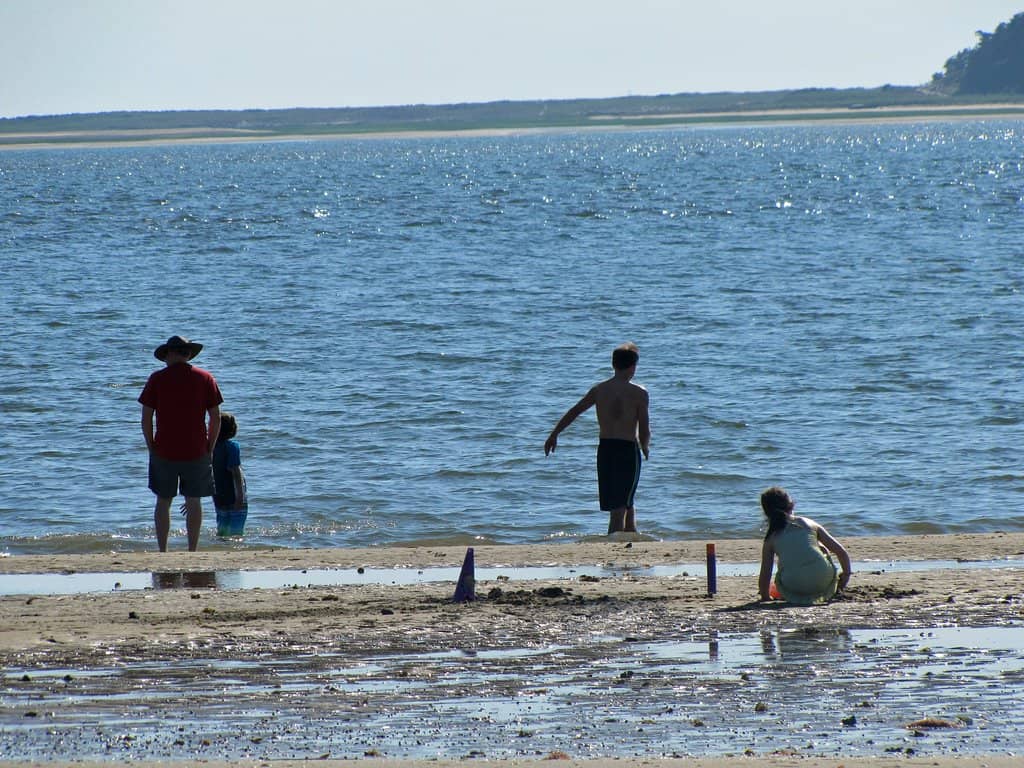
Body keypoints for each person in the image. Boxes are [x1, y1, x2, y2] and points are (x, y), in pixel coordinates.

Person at [544, 342, 651, 534]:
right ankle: (614, 547)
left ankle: (631, 537)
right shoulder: (639, 393)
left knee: (625, 502)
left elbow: (575, 411)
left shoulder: (600, 390)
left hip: (606, 449)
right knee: (620, 508)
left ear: (613, 364)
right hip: (627, 450)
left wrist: (554, 434)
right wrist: (645, 446)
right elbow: (644, 427)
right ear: (633, 367)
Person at [138, 335, 223, 552]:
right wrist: (210, 446)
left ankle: (163, 550)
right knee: (194, 501)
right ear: (187, 354)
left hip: (164, 449)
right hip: (196, 449)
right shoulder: (205, 378)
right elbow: (215, 417)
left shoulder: (157, 379)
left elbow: (146, 416)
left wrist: (150, 445)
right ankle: (192, 549)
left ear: (170, 353)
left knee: (163, 501)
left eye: (166, 354)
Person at [758, 486, 852, 605]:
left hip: (794, 585)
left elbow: (765, 573)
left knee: (783, 565)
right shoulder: (808, 523)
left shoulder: (770, 538)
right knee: (823, 549)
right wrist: (846, 575)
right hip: (823, 580)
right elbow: (841, 552)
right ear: (791, 505)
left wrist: (765, 597)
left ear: (766, 513)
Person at [212, 411, 248, 537]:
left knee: (222, 529)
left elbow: (203, 472)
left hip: (219, 496)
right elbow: (236, 473)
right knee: (236, 531)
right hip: (234, 496)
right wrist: (240, 497)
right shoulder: (232, 447)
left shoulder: (210, 448)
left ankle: (221, 547)